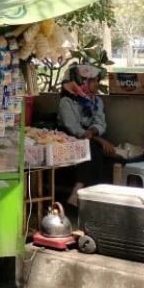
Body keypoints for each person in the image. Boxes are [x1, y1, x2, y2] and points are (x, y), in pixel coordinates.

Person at [57, 63, 116, 205]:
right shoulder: (66, 102)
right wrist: (98, 139)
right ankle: (81, 193)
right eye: (94, 80)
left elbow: (100, 123)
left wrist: (93, 132)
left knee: (96, 149)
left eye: (97, 80)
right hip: (69, 138)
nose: (97, 84)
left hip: (90, 138)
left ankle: (83, 192)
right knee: (91, 148)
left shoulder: (96, 101)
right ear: (82, 82)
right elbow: (74, 128)